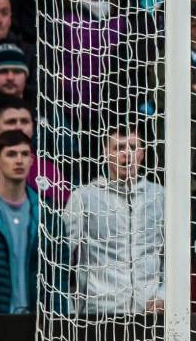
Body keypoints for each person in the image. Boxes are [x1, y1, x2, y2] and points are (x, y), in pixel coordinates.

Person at [63, 127, 163, 314]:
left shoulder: (160, 195)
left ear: (143, 153)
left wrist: (164, 295)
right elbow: (62, 254)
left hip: (150, 313)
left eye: (133, 147)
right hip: (99, 312)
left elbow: (174, 254)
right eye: (119, 148)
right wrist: (68, 307)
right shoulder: (84, 197)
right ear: (105, 153)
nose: (127, 154)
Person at [0, 130, 42, 314]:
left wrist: (55, 318)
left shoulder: (47, 213)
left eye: (24, 154)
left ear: (32, 160)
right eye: (11, 154)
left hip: (37, 322)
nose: (19, 160)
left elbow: (59, 273)